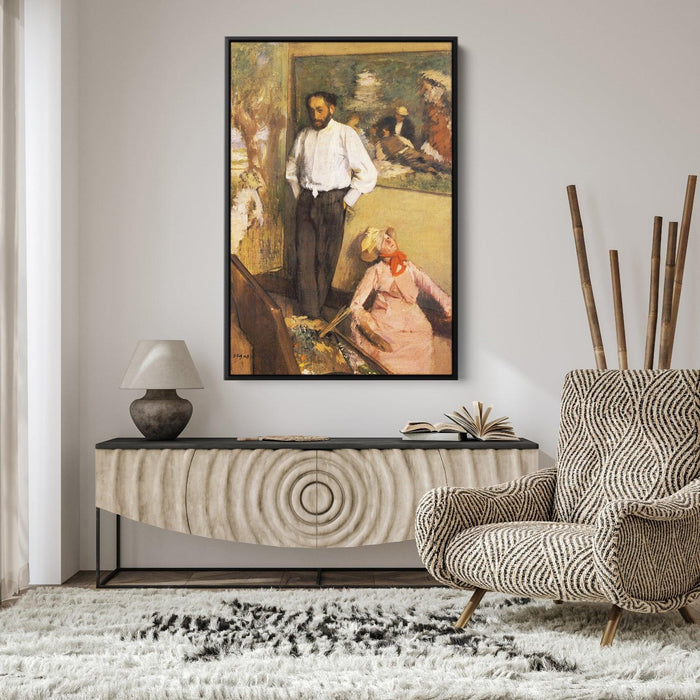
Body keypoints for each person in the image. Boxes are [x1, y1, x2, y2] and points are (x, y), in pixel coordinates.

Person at [286, 92, 377, 318]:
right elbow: (290, 169)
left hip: (333, 202)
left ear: (331, 109)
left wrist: (347, 200)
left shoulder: (345, 134)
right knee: (304, 259)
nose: (315, 115)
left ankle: (315, 312)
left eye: (320, 110)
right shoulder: (304, 135)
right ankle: (309, 315)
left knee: (325, 260)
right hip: (307, 202)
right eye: (312, 110)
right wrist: (301, 197)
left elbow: (368, 172)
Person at [350, 227, 452, 374]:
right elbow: (355, 305)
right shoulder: (376, 271)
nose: (389, 240)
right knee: (388, 357)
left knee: (421, 345)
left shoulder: (408, 267)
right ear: (378, 251)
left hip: (414, 322)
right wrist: (367, 326)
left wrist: (448, 306)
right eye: (383, 240)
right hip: (386, 324)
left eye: (388, 237)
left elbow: (431, 287)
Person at [374, 118, 450, 175]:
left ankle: (443, 167)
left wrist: (410, 150)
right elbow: (381, 156)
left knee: (423, 158)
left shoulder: (394, 137)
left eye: (386, 130)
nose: (386, 132)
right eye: (385, 130)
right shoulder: (382, 142)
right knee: (417, 162)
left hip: (406, 152)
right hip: (401, 155)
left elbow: (380, 157)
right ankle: (433, 169)